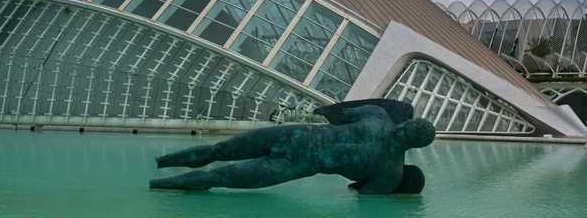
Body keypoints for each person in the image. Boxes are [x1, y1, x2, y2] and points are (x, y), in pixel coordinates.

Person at [150, 100, 435, 194]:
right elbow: (364, 195)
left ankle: (159, 171)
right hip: (298, 163)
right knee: (220, 172)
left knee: (219, 155)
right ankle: (159, 178)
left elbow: (335, 113)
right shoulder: (390, 171)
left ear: (408, 129)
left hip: (298, 137)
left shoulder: (377, 116)